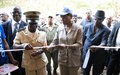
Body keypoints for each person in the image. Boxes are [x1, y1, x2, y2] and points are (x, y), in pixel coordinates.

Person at [43, 7, 82, 75]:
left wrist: (67, 46)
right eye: (61, 17)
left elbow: (79, 44)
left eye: (65, 17)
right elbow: (55, 41)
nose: (62, 19)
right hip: (62, 59)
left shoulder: (78, 28)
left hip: (73, 60)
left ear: (70, 16)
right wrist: (48, 48)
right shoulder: (60, 28)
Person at [13, 11, 48, 75]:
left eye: (35, 23)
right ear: (26, 21)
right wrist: (23, 45)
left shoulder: (43, 32)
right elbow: (14, 46)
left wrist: (39, 51)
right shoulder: (21, 32)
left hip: (41, 62)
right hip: (28, 63)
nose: (34, 25)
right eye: (31, 23)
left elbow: (44, 47)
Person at [82, 10, 110, 75]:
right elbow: (83, 39)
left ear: (103, 19)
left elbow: (104, 42)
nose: (96, 21)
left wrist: (97, 48)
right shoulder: (87, 26)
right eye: (95, 19)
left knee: (96, 72)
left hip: (98, 55)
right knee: (85, 71)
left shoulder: (106, 30)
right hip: (86, 53)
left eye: (99, 19)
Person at [2, 6, 27, 75]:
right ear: (11, 13)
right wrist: (11, 58)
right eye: (14, 12)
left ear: (21, 14)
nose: (16, 14)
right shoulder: (4, 26)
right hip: (10, 56)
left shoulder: (26, 26)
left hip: (23, 57)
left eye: (18, 12)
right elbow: (4, 42)